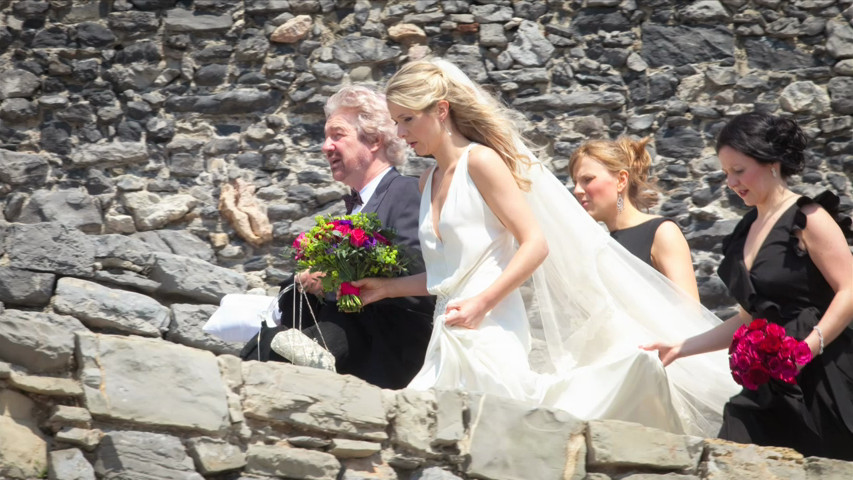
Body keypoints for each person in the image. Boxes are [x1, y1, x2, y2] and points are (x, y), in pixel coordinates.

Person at [353, 58, 739, 437]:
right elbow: (447, 276)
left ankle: (633, 384)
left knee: (504, 428)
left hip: (490, 324)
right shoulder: (427, 180)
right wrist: (387, 288)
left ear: (441, 110)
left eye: (407, 119)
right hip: (448, 326)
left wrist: (481, 304)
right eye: (397, 121)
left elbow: (535, 245)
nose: (401, 134)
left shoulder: (482, 162)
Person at [642, 112, 853, 460]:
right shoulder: (744, 231)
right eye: (726, 173)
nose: (731, 182)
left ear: (772, 163)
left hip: (826, 373)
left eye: (739, 171)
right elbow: (748, 317)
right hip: (770, 383)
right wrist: (681, 347)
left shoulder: (809, 217)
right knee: (734, 449)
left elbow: (848, 290)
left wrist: (805, 349)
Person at [241, 85, 434, 390]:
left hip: (381, 356)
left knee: (270, 359)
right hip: (337, 346)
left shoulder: (407, 193)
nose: (325, 147)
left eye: (337, 135)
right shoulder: (345, 214)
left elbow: (420, 280)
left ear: (374, 140)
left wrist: (332, 279)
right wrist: (302, 281)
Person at [570, 137, 699, 300]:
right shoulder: (601, 245)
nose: (577, 190)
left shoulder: (661, 232)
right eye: (575, 182)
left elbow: (690, 312)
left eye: (587, 179)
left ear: (621, 180)